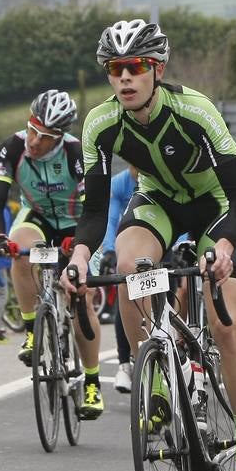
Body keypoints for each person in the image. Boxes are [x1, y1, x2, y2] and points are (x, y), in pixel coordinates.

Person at [62, 19, 236, 471]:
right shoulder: (99, 123)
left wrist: (222, 246)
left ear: (156, 69)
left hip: (216, 207)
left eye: (135, 67)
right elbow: (92, 214)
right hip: (157, 202)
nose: (124, 78)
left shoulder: (196, 111)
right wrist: (80, 255)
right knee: (131, 264)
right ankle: (152, 379)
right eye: (115, 69)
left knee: (224, 321)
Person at [0, 89, 105, 420]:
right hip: (36, 217)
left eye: (45, 136)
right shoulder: (12, 146)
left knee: (82, 295)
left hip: (74, 224)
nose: (35, 140)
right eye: (33, 129)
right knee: (20, 251)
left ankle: (93, 383)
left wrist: (79, 247)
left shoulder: (74, 152)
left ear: (60, 136)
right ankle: (30, 331)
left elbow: (92, 210)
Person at [99, 164, 139, 393]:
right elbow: (111, 219)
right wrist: (108, 249)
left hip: (163, 241)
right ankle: (124, 365)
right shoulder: (120, 183)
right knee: (124, 298)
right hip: (127, 243)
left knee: (175, 290)